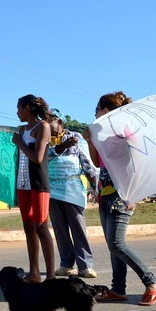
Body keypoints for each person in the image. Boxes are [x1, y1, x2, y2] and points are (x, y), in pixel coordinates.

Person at [85, 91, 156, 306]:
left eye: (98, 110)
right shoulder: (104, 136)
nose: (95, 114)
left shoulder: (127, 134)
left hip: (123, 196)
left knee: (117, 244)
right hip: (105, 195)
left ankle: (151, 282)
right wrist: (91, 141)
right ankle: (118, 289)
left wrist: (135, 194)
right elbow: (99, 163)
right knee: (113, 245)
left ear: (107, 111)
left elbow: (138, 164)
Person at [12, 94, 55, 283]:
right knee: (28, 226)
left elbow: (37, 158)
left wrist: (20, 143)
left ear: (27, 108)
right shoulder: (22, 129)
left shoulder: (43, 127)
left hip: (38, 183)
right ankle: (34, 272)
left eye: (18, 108)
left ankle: (51, 276)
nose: (17, 112)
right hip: (23, 183)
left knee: (41, 226)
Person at [47, 115, 98, 278]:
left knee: (78, 227)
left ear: (60, 122)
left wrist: (95, 187)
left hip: (72, 190)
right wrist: (61, 147)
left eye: (50, 122)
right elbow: (43, 158)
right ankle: (67, 264)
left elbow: (87, 163)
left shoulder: (76, 138)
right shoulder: (44, 139)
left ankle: (86, 265)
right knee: (60, 229)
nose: (47, 126)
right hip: (53, 191)